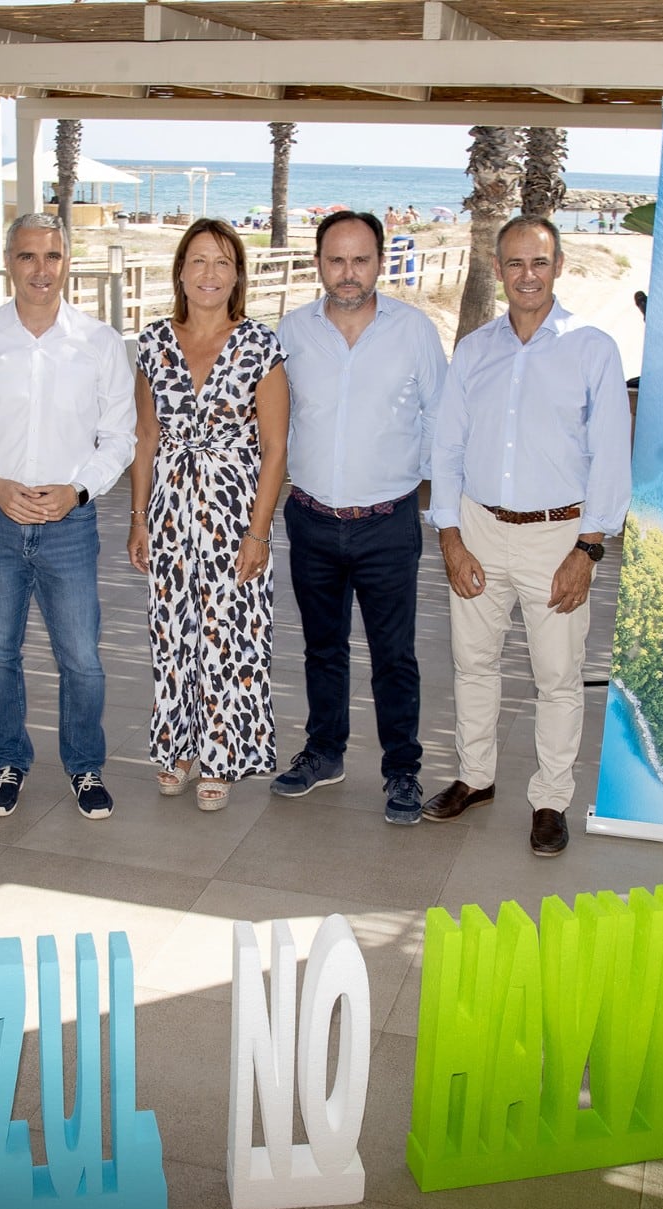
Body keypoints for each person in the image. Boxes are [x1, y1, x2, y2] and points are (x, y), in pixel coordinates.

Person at [423, 214, 633, 857]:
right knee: (473, 664)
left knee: (558, 676)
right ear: (497, 269)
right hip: (480, 528)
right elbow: (447, 447)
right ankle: (476, 777)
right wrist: (451, 538)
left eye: (539, 262)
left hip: (558, 537)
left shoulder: (593, 349)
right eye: (514, 263)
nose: (527, 275)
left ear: (559, 267)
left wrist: (588, 549)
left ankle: (549, 799)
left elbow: (611, 457)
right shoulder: (476, 350)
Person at [0, 213, 135, 819]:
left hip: (68, 527)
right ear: (8, 261)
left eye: (52, 256)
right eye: (27, 257)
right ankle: (8, 763)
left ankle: (84, 766)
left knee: (82, 656)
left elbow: (120, 438)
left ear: (67, 261)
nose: (40, 270)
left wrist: (77, 491)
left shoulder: (98, 342)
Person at [272, 210, 446, 824]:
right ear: (319, 262)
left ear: (382, 261)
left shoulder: (414, 332)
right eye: (337, 260)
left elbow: (439, 422)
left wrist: (425, 499)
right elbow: (273, 424)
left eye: (362, 260)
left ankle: (402, 772)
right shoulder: (289, 333)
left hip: (387, 523)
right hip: (311, 518)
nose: (349, 274)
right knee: (323, 649)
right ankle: (325, 753)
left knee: (394, 654)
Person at [127, 218, 288, 811]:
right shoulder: (152, 343)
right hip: (169, 509)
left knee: (228, 634)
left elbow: (275, 449)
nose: (210, 274)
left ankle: (220, 752)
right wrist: (138, 517)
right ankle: (177, 745)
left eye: (222, 262)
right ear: (180, 271)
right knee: (173, 633)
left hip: (232, 513)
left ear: (238, 274)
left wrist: (258, 532)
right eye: (198, 261)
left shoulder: (260, 346)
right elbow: (145, 438)